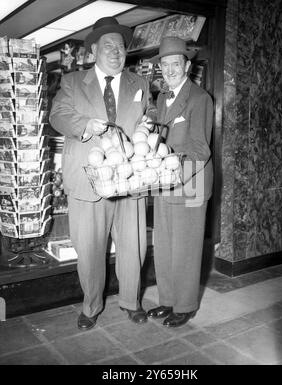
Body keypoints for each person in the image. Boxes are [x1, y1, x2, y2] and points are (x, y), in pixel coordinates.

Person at [50, 17, 155, 330]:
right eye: (108, 45)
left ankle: (131, 302)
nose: (115, 51)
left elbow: (148, 115)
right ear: (94, 49)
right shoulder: (72, 82)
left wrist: (148, 126)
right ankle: (91, 306)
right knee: (90, 250)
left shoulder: (140, 84)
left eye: (120, 46)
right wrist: (83, 126)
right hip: (88, 180)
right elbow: (57, 115)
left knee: (133, 246)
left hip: (129, 177)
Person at [147, 37, 214, 327]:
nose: (171, 69)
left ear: (187, 65)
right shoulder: (161, 98)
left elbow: (201, 150)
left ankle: (185, 305)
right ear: (160, 68)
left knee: (185, 248)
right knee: (163, 245)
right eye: (165, 64)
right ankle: (167, 299)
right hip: (165, 182)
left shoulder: (200, 98)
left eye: (176, 63)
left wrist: (172, 174)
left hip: (191, 184)